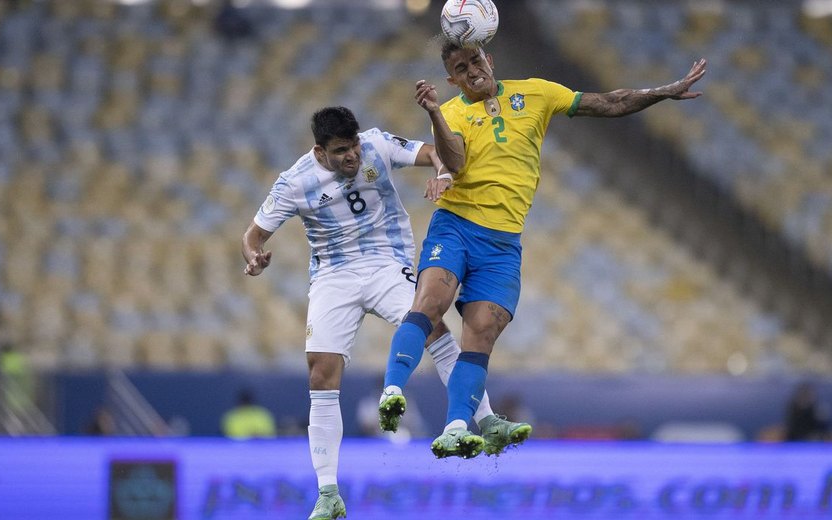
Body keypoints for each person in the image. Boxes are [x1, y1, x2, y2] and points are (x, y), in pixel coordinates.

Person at [381, 40, 708, 459]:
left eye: (475, 61)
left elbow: (609, 102)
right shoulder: (452, 113)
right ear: (452, 79)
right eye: (461, 69)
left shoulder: (536, 93)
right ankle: (392, 390)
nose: (472, 71)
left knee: (481, 332)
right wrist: (432, 112)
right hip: (457, 227)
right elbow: (456, 164)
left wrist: (662, 92)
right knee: (431, 301)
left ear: (490, 59)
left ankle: (457, 427)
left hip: (503, 244)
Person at [241, 106, 527, 520]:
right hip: (333, 274)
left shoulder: (377, 144)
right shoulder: (294, 182)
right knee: (321, 371)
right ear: (320, 152)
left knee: (432, 327)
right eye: (341, 151)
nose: (353, 156)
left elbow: (434, 152)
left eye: (354, 145)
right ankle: (328, 494)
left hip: (386, 261)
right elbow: (252, 236)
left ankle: (485, 420)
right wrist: (253, 257)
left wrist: (443, 172)